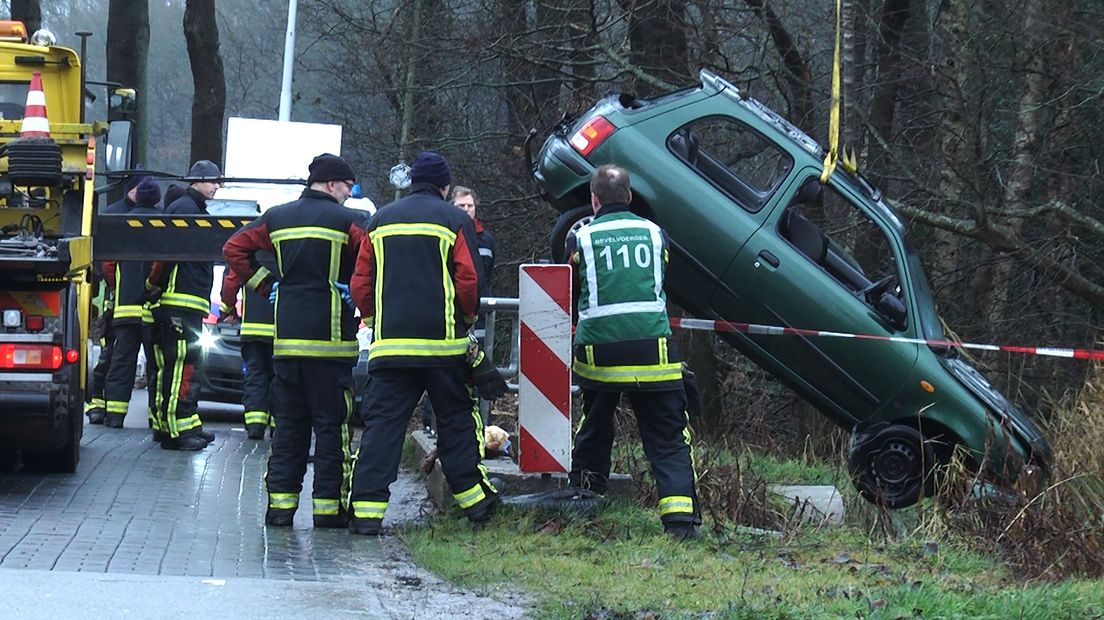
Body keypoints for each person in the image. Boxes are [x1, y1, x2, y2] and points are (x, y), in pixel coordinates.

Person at [348, 151, 501, 536]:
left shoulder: (378, 221)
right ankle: (477, 504)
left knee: (382, 428)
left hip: (391, 348)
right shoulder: (455, 220)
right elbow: (468, 280)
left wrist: (373, 318)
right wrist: (465, 320)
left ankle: (365, 513)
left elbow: (361, 284)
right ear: (445, 187)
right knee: (456, 423)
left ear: (411, 181)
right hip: (443, 349)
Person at [223, 153, 366, 529]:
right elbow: (375, 257)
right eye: (347, 188)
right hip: (332, 346)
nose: (348, 196)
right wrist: (356, 291)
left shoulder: (277, 217)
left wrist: (265, 285)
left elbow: (234, 248)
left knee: (288, 430)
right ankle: (327, 511)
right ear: (333, 184)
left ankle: (280, 510)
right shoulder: (350, 221)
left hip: (285, 343)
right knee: (331, 431)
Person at [565, 164, 701, 540]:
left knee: (594, 426)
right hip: (652, 353)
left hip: (599, 355)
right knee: (669, 438)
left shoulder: (582, 238)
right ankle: (680, 522)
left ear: (593, 200)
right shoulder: (656, 234)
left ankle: (585, 497)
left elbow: (572, 286)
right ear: (628, 197)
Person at [146, 160, 221, 450]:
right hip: (179, 302)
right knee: (180, 365)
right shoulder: (185, 210)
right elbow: (164, 255)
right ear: (197, 180)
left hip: (187, 302)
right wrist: (154, 287)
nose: (217, 186)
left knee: (185, 366)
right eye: (214, 180)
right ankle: (176, 431)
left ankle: (182, 422)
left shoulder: (192, 209)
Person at [420, 185, 496, 433]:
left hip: (480, 314)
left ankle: (483, 423)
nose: (466, 210)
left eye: (470, 206)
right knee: (442, 370)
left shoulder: (486, 239)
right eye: (461, 206)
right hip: (449, 315)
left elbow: (486, 276)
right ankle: (432, 423)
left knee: (479, 368)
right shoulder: (446, 232)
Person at [100, 177, 163, 428]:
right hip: (151, 308)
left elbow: (108, 264)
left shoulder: (121, 224)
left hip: (124, 307)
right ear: (157, 199)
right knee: (156, 364)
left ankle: (115, 415)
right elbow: (163, 263)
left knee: (121, 361)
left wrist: (117, 287)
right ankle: (155, 416)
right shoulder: (164, 224)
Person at [84, 174, 146, 425]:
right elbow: (106, 264)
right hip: (114, 302)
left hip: (122, 301)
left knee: (115, 357)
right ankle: (98, 405)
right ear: (130, 189)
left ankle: (107, 409)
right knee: (110, 356)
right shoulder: (114, 215)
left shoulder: (137, 214)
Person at [218, 252, 277, 440]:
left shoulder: (249, 252)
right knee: (282, 378)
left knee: (255, 375)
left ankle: (255, 426)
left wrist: (228, 310)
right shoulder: (289, 247)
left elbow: (230, 283)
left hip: (253, 329)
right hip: (283, 330)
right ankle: (279, 426)